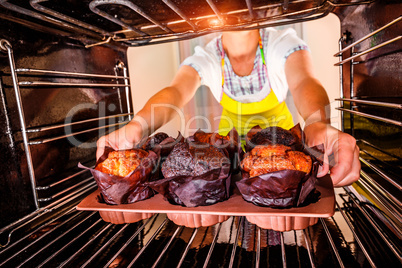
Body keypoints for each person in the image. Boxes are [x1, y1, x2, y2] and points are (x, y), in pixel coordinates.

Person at [96, 28, 360, 187]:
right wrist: (136, 126)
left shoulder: (281, 44)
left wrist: (317, 124)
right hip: (229, 148)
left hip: (277, 145)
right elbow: (175, 92)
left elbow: (304, 81)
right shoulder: (208, 57)